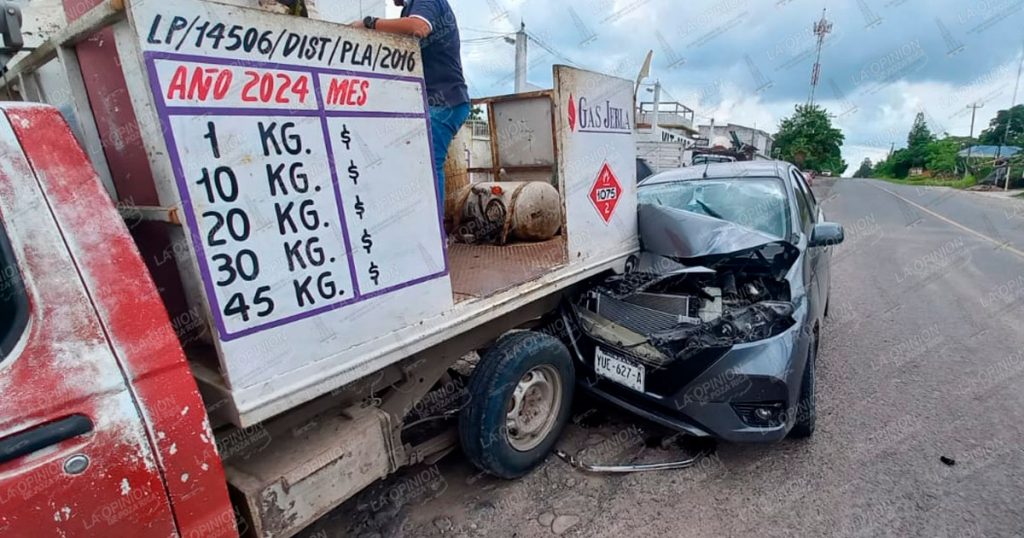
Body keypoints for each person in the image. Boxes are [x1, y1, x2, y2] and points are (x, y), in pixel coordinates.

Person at [356, 0, 471, 204]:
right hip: (435, 102)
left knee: (427, 162)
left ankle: (434, 232)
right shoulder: (408, 9)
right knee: (414, 162)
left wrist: (369, 23)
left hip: (444, 101)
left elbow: (419, 27)